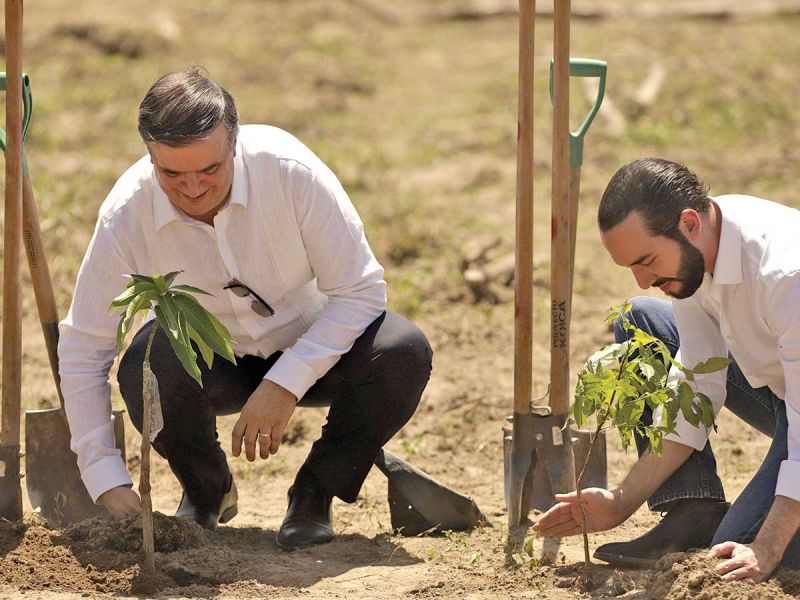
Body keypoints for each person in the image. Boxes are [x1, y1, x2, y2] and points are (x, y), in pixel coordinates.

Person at [58, 66, 433, 550]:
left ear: (234, 144)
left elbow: (360, 292)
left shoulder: (292, 173)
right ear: (150, 156)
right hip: (209, 364)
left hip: (317, 347)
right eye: (172, 174)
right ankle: (206, 490)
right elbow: (85, 347)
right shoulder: (125, 214)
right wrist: (103, 474)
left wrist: (286, 381)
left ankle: (315, 492)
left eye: (209, 170)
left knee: (402, 352)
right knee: (146, 366)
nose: (193, 189)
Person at [534, 158, 800, 582]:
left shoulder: (786, 274)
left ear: (689, 223)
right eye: (631, 268)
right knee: (642, 322)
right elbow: (696, 382)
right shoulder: (699, 250)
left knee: (736, 555)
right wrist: (621, 502)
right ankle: (692, 510)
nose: (643, 280)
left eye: (647, 261)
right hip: (786, 391)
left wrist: (766, 547)